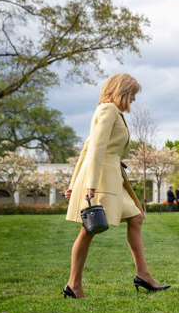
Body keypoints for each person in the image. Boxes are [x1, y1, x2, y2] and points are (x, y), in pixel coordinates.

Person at [63, 74, 169, 299]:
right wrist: (88, 184)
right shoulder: (108, 110)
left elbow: (86, 147)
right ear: (123, 91)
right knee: (89, 228)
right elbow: (94, 148)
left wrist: (73, 183)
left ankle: (143, 274)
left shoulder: (112, 111)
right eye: (132, 95)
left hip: (112, 177)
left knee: (136, 217)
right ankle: (73, 284)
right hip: (102, 178)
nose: (133, 100)